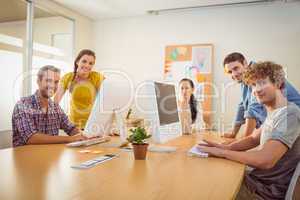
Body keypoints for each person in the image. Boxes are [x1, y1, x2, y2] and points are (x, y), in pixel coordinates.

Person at [198, 61, 300, 200]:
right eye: (253, 85)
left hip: (263, 191)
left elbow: (266, 160)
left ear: (279, 84)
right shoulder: (275, 113)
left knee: (206, 187)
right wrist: (223, 146)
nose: (256, 90)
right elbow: (253, 138)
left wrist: (223, 152)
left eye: (262, 83)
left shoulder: (290, 114)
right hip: (256, 181)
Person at [223, 52, 300, 138]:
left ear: (245, 63)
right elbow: (242, 105)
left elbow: (253, 109)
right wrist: (234, 133)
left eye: (236, 68)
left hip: (293, 120)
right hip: (280, 120)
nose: (234, 74)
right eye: (230, 72)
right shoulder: (244, 78)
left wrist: (243, 140)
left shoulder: (256, 73)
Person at [12, 65, 87, 147]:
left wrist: (84, 136)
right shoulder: (23, 104)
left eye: (56, 82)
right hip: (25, 157)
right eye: (48, 81)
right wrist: (70, 139)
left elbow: (71, 128)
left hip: (50, 156)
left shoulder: (55, 107)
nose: (53, 86)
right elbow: (31, 138)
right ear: (38, 81)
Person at [54, 49, 105, 129]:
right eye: (84, 61)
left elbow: (109, 93)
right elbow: (55, 101)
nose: (87, 65)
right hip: (74, 126)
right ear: (77, 61)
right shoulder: (68, 77)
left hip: (93, 125)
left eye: (90, 63)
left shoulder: (96, 77)